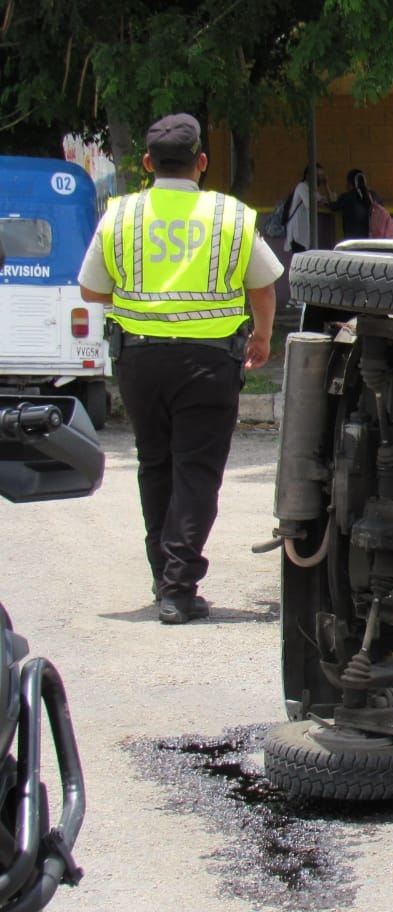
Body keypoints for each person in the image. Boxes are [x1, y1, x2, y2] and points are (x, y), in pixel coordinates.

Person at [77, 113, 284, 624]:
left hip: (140, 360)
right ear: (203, 163)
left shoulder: (120, 214)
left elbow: (90, 289)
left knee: (155, 464)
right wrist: (261, 336)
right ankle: (178, 586)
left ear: (147, 163)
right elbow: (263, 285)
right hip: (209, 363)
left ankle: (163, 577)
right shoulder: (231, 216)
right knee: (196, 471)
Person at [284, 163, 333, 253]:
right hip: (297, 234)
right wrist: (321, 202)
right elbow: (311, 204)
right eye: (318, 175)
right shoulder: (302, 187)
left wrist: (326, 185)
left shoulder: (313, 190)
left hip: (305, 235)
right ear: (308, 176)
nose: (320, 178)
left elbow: (331, 202)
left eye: (322, 176)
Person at [330, 168, 379, 240]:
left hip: (352, 240)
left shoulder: (347, 197)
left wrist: (332, 199)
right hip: (372, 239)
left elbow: (333, 207)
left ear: (350, 183)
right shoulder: (374, 195)